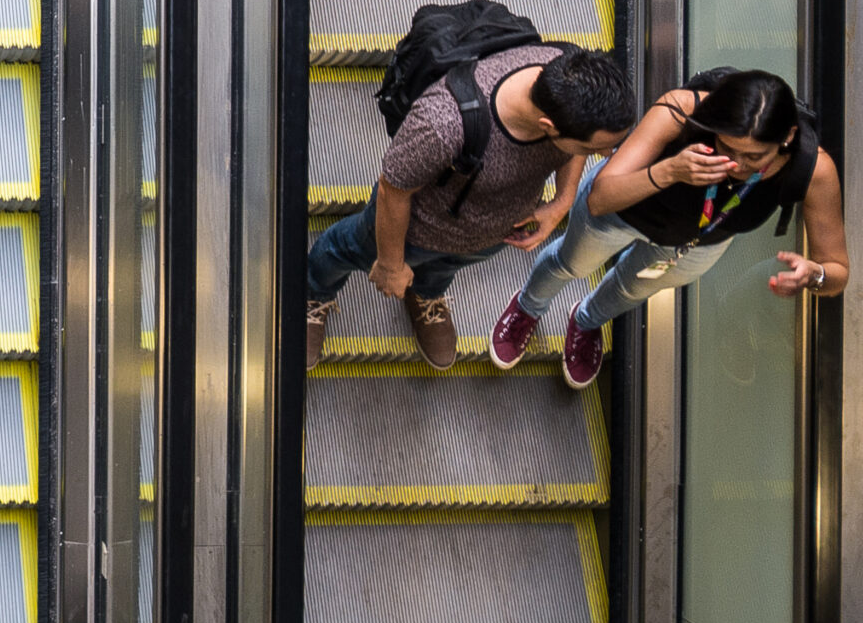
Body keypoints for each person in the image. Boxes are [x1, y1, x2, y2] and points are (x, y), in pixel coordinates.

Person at [489, 67, 849, 389]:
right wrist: (670, 171)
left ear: (786, 136)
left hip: (697, 244)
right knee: (571, 264)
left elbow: (837, 272)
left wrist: (814, 275)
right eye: (726, 146)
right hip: (622, 214)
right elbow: (600, 199)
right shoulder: (682, 110)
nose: (737, 165)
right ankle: (529, 306)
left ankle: (586, 320)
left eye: (755, 157)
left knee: (631, 289)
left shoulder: (814, 170)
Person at [304, 43, 634, 371]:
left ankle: (425, 294)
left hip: (492, 235)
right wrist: (391, 264)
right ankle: (313, 294)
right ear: (548, 126)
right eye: (598, 148)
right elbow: (393, 191)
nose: (608, 155)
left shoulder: (570, 79)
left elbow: (575, 146)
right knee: (344, 249)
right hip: (419, 231)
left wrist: (562, 200)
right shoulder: (443, 125)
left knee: (443, 269)